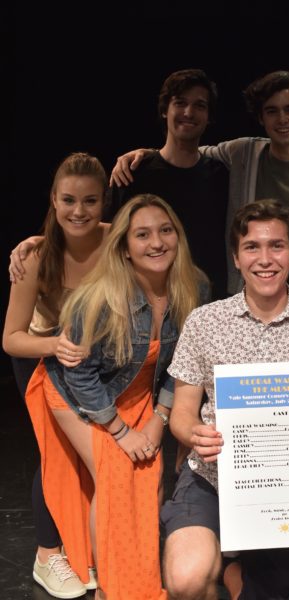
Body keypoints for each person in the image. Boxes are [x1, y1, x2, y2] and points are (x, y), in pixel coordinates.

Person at [159, 199, 289, 600]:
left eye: (277, 246)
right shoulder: (204, 321)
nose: (265, 259)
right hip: (212, 477)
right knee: (185, 578)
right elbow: (181, 412)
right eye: (252, 247)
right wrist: (196, 434)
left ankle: (235, 571)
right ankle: (229, 568)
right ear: (236, 258)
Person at [24, 194, 206, 599]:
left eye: (165, 231)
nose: (156, 242)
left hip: (137, 394)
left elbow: (186, 363)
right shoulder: (99, 298)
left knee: (150, 474)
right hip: (75, 393)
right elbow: (79, 374)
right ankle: (116, 588)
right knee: (117, 472)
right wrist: (121, 432)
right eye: (142, 235)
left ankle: (134, 573)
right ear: (124, 248)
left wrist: (159, 418)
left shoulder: (195, 287)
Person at [110, 70, 289, 294]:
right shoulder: (243, 153)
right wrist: (148, 155)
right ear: (261, 117)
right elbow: (186, 151)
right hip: (242, 291)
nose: (282, 119)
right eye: (272, 111)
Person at [9, 69, 229, 299]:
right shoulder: (133, 172)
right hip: (139, 304)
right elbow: (95, 230)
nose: (188, 112)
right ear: (165, 110)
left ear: (209, 116)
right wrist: (42, 242)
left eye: (199, 105)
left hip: (209, 301)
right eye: (180, 103)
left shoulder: (221, 174)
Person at [2, 152, 110, 598]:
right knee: (56, 451)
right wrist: (55, 346)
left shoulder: (117, 243)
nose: (79, 211)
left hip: (95, 358)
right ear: (53, 199)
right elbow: (11, 338)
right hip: (40, 354)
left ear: (104, 202)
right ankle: (47, 555)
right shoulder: (36, 256)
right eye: (69, 200)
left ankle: (85, 548)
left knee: (97, 453)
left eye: (90, 201)